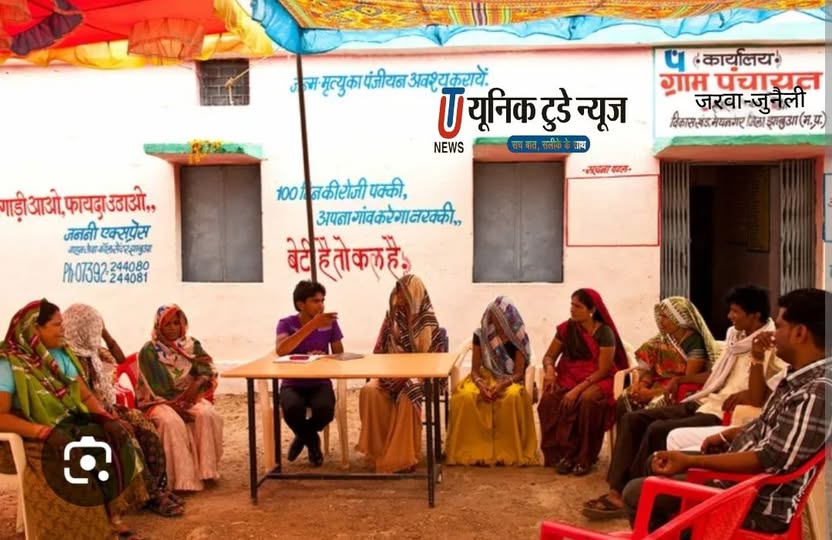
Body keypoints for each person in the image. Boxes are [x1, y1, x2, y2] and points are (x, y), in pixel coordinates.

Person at [622, 288, 832, 538]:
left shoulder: (816, 393)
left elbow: (767, 459)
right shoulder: (797, 375)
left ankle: (683, 529)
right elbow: (770, 426)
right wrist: (728, 435)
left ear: (800, 333)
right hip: (741, 480)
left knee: (637, 492)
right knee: (656, 462)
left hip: (753, 500)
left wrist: (692, 461)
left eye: (779, 327)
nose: (773, 334)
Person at [584, 285, 786, 520]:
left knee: (657, 429)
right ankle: (617, 491)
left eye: (735, 312)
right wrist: (679, 380)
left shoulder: (769, 345)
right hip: (706, 399)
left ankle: (637, 495)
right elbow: (716, 376)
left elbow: (772, 388)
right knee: (632, 419)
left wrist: (750, 388)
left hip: (724, 411)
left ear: (755, 315)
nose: (729, 316)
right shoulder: (735, 337)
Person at [0, 299, 148, 539]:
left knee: (115, 439)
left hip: (66, 425)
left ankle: (113, 517)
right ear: (35, 329)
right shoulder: (9, 364)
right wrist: (43, 432)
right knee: (72, 460)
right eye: (57, 325)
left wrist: (105, 418)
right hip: (28, 434)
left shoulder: (61, 355)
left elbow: (85, 395)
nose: (63, 330)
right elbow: (1, 417)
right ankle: (88, 531)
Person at [63, 303, 184, 517]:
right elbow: (81, 399)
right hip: (85, 414)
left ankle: (159, 486)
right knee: (127, 433)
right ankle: (150, 494)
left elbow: (120, 361)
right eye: (94, 327)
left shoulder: (93, 352)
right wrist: (109, 417)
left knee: (145, 425)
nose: (97, 332)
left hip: (106, 407)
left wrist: (106, 334)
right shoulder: (67, 358)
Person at [357, 274, 444, 473]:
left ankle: (403, 458)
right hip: (390, 373)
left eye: (404, 292)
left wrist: (405, 375)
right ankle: (379, 453)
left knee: (409, 392)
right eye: (398, 292)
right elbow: (379, 351)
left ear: (415, 294)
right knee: (370, 390)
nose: (400, 297)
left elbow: (432, 361)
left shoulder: (428, 322)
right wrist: (385, 373)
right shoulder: (392, 318)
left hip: (420, 376)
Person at [537, 288, 629, 476]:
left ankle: (584, 457)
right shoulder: (566, 329)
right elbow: (549, 356)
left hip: (598, 378)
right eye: (571, 304)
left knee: (587, 400)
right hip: (569, 375)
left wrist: (577, 390)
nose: (572, 309)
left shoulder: (604, 332)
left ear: (592, 310)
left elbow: (604, 369)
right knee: (549, 399)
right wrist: (550, 370)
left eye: (577, 306)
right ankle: (565, 454)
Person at [137, 304, 223, 492]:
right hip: (157, 401)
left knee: (207, 414)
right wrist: (176, 406)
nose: (172, 328)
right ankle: (183, 480)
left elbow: (207, 369)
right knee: (171, 422)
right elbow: (155, 388)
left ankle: (207, 470)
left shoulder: (192, 345)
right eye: (167, 324)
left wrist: (198, 382)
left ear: (183, 324)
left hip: (189, 397)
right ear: (158, 326)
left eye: (176, 323)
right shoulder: (149, 351)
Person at [444, 296, 538, 466]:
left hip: (510, 379)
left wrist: (502, 385)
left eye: (500, 316)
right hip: (484, 376)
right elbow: (474, 369)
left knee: (512, 397)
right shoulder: (481, 335)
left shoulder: (518, 337)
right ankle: (473, 450)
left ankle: (507, 452)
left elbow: (519, 373)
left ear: (509, 317)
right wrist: (481, 385)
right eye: (493, 316)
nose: (495, 320)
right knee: (465, 397)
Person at [275, 280, 344, 467]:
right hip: (292, 383)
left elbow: (339, 353)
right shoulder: (286, 323)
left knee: (325, 411)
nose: (321, 305)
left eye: (322, 300)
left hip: (320, 382)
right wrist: (312, 325)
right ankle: (313, 442)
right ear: (301, 304)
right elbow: (281, 350)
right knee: (292, 409)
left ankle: (303, 437)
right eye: (315, 301)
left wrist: (326, 355)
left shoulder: (329, 323)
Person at [617, 297, 718, 415]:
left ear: (679, 318)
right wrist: (642, 385)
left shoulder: (694, 342)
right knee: (626, 399)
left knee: (652, 408)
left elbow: (686, 379)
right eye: (660, 316)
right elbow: (650, 369)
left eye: (665, 317)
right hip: (655, 385)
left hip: (676, 389)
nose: (660, 320)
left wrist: (650, 394)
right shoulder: (661, 339)